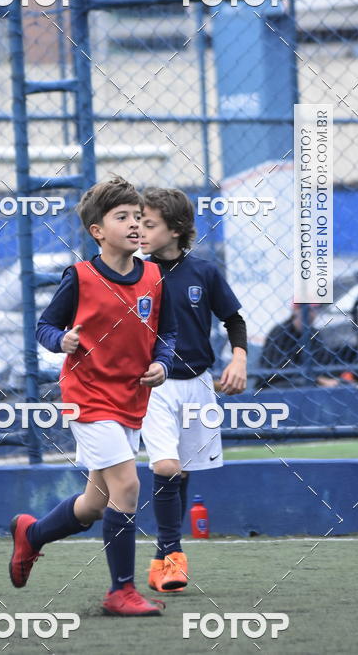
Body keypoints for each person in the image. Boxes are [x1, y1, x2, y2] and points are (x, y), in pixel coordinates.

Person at [8, 176, 176, 617]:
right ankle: (120, 592)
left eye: (139, 217)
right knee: (128, 484)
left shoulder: (155, 276)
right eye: (122, 217)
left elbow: (167, 333)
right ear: (97, 231)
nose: (135, 224)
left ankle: (32, 534)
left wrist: (163, 363)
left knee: (95, 503)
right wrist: (60, 340)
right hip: (87, 398)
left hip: (131, 400)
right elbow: (44, 326)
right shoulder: (80, 277)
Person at [139, 187, 247, 594]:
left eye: (150, 224)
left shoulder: (204, 273)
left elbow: (233, 318)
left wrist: (238, 359)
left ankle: (160, 559)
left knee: (181, 473)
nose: (141, 230)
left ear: (178, 229)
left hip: (199, 384)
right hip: (155, 386)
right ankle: (174, 557)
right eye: (139, 223)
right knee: (165, 467)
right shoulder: (137, 273)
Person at [260, 303, 342, 387]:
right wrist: (318, 379)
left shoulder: (314, 334)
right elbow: (280, 369)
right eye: (308, 310)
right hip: (276, 384)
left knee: (343, 384)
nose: (311, 314)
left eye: (315, 310)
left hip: (308, 382)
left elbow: (323, 362)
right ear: (295, 310)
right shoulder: (280, 332)